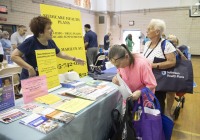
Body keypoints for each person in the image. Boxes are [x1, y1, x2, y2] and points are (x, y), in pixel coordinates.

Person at [11, 16, 85, 80]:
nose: (52, 30)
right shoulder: (31, 41)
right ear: (40, 32)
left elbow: (60, 54)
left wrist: (75, 59)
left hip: (44, 78)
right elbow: (14, 56)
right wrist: (29, 68)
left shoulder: (50, 42)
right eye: (49, 28)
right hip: (30, 79)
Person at [143, 19, 176, 114]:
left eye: (149, 29)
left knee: (157, 105)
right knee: (147, 104)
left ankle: (158, 125)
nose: (147, 31)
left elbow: (172, 62)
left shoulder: (166, 45)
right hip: (146, 80)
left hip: (158, 82)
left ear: (157, 32)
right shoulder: (147, 44)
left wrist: (153, 65)